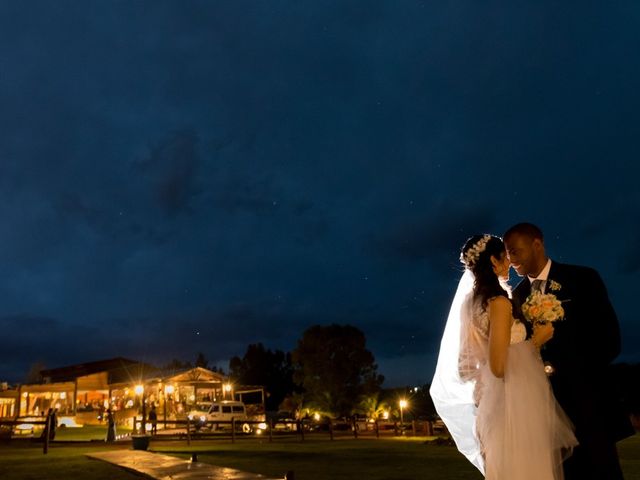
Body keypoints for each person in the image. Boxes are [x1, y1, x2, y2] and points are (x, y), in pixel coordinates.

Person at [430, 234, 577, 480]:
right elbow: (498, 366)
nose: (509, 263)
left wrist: (483, 388)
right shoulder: (498, 303)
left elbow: (465, 367)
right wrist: (536, 341)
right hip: (514, 404)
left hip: (491, 404)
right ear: (493, 261)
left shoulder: (470, 304)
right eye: (505, 258)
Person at [503, 222, 634, 480]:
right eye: (508, 254)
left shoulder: (583, 279)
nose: (511, 260)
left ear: (537, 244)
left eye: (515, 251)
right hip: (545, 414)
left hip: (590, 406)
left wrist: (568, 371)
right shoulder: (515, 297)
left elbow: (610, 340)